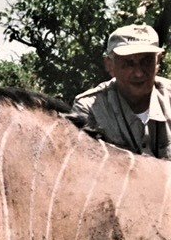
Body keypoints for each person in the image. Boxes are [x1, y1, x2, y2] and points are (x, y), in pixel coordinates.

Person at [73, 23, 171, 159]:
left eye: (146, 61)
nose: (138, 73)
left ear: (158, 61)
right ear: (110, 65)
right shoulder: (89, 108)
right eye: (129, 63)